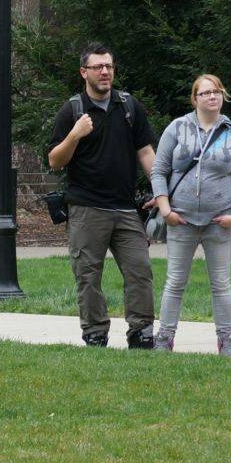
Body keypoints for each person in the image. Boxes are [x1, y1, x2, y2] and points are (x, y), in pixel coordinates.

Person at [46, 43, 159, 348]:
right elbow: (55, 161)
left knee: (140, 271)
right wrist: (75, 134)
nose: (105, 72)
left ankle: (141, 331)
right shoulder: (72, 110)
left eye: (109, 66)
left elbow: (146, 152)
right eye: (98, 67)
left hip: (125, 208)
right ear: (84, 72)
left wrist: (162, 192)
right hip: (86, 208)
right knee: (88, 275)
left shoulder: (129, 107)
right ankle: (95, 332)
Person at [150, 74, 231, 353]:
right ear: (194, 98)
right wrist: (166, 209)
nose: (212, 97)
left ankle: (227, 339)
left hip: (219, 222)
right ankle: (164, 337)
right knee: (174, 281)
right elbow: (158, 170)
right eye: (206, 93)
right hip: (180, 220)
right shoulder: (177, 128)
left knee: (221, 283)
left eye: (217, 92)